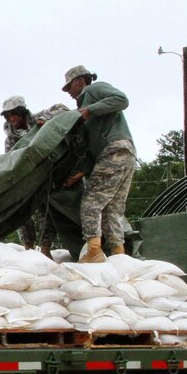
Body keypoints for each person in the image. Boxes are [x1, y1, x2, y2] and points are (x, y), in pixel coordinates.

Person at [59, 65, 135, 263]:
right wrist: (82, 172)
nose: (69, 93)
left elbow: (122, 99)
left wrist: (90, 110)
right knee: (113, 208)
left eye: (69, 87)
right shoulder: (84, 109)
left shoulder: (93, 90)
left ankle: (94, 250)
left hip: (114, 150)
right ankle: (119, 252)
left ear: (79, 81)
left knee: (91, 202)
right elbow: (92, 148)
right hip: (122, 153)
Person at [0, 95, 70, 255]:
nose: (11, 119)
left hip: (47, 175)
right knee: (22, 214)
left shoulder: (39, 118)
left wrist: (46, 120)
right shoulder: (11, 140)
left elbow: (62, 108)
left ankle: (45, 249)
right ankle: (29, 249)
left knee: (47, 214)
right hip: (27, 180)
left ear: (22, 112)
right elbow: (10, 161)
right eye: (7, 116)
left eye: (14, 114)